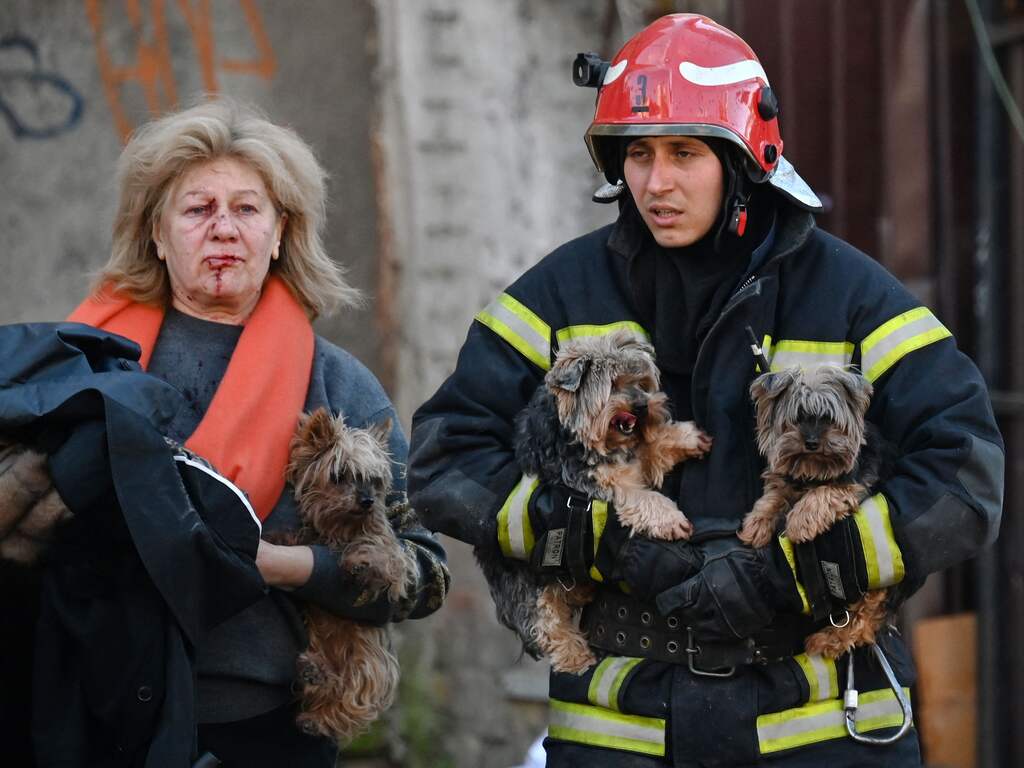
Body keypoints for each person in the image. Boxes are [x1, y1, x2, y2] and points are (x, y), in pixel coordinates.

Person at [409, 14, 1002, 768]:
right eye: (639, 155)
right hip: (622, 729)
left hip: (822, 728)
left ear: (744, 158)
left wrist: (798, 576)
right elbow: (444, 462)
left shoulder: (852, 297)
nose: (657, 183)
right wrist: (604, 544)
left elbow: (966, 476)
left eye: (685, 153)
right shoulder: (558, 295)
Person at [9, 98, 449, 766]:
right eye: (197, 209)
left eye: (247, 209)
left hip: (260, 729)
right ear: (156, 234)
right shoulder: (80, 365)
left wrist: (286, 566)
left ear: (279, 235)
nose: (223, 229)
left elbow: (427, 572)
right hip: (87, 715)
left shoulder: (335, 382)